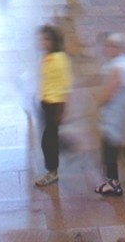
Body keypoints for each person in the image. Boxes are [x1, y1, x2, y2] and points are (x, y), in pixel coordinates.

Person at [93, 33, 125, 198]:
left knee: (109, 149)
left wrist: (100, 101)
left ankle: (113, 183)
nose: (106, 49)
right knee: (113, 146)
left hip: (114, 114)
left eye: (109, 46)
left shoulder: (117, 67)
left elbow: (112, 89)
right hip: (123, 113)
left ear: (118, 48)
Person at [35, 25, 71, 188]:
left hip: (54, 105)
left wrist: (62, 110)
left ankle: (52, 172)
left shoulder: (59, 60)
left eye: (46, 39)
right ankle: (52, 167)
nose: (42, 42)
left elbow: (66, 84)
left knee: (48, 140)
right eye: (42, 38)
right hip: (46, 102)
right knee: (48, 137)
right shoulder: (49, 57)